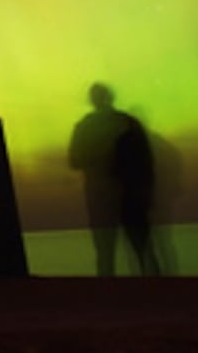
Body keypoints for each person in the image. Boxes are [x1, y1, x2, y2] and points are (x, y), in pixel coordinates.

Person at [68, 82, 160, 276]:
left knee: (105, 253)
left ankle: (108, 296)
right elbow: (146, 162)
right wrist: (146, 193)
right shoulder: (128, 122)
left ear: (92, 100)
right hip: (130, 194)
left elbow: (74, 161)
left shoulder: (85, 126)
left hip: (100, 196)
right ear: (110, 97)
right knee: (143, 249)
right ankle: (158, 293)